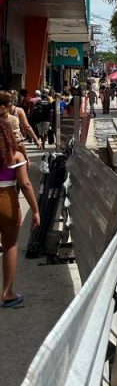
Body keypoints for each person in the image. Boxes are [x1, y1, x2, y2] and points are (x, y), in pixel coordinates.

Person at [0, 119, 40, 307]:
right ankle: (7, 293)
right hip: (7, 201)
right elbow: (25, 184)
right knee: (10, 245)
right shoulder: (16, 156)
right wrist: (35, 210)